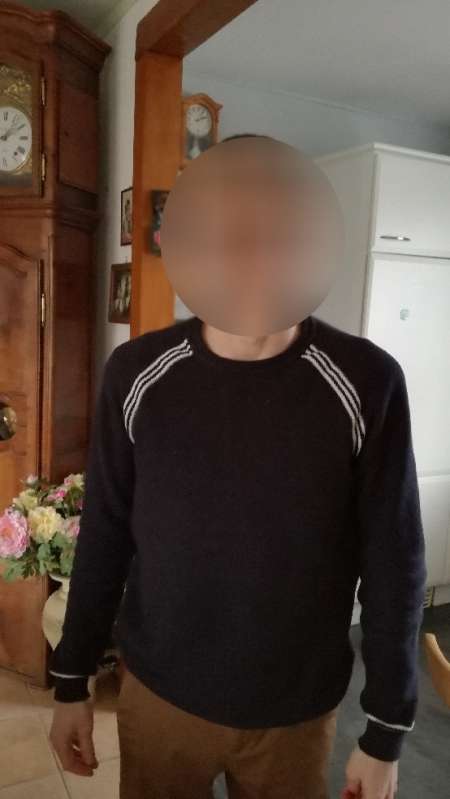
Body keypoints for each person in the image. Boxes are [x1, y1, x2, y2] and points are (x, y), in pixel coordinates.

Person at [48, 134, 427, 799]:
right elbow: (105, 532)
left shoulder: (368, 382)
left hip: (295, 710)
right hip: (161, 695)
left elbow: (395, 560)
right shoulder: (136, 374)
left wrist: (386, 728)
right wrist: (71, 679)